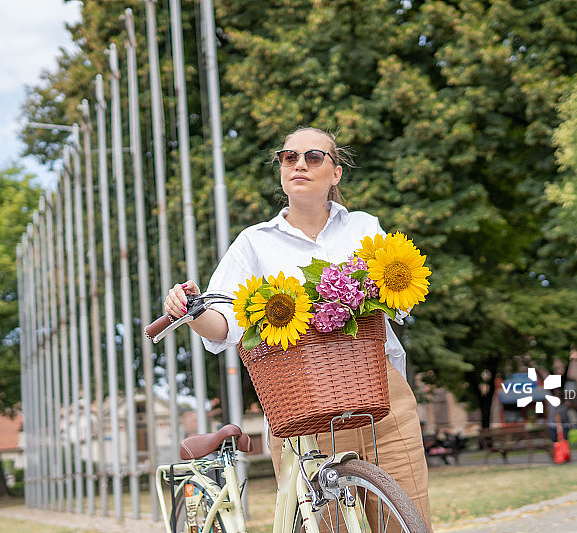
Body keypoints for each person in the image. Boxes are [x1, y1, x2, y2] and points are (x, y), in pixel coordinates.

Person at [164, 126, 432, 529]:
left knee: (407, 518)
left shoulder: (364, 227)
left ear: (335, 173)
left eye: (313, 156)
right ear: (281, 170)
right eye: (289, 157)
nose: (300, 164)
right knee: (326, 526)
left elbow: (396, 299)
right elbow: (222, 324)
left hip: (380, 393)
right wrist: (190, 308)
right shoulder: (254, 243)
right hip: (302, 401)